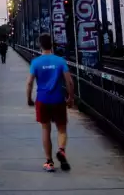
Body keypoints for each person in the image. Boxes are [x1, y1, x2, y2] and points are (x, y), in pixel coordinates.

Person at [26, 33, 75, 173]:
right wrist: (70, 98)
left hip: (42, 100)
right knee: (61, 129)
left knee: (45, 129)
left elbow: (29, 83)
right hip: (58, 99)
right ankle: (61, 150)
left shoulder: (35, 62)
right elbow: (69, 82)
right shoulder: (60, 61)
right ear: (52, 45)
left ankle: (49, 162)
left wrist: (29, 99)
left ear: (40, 45)